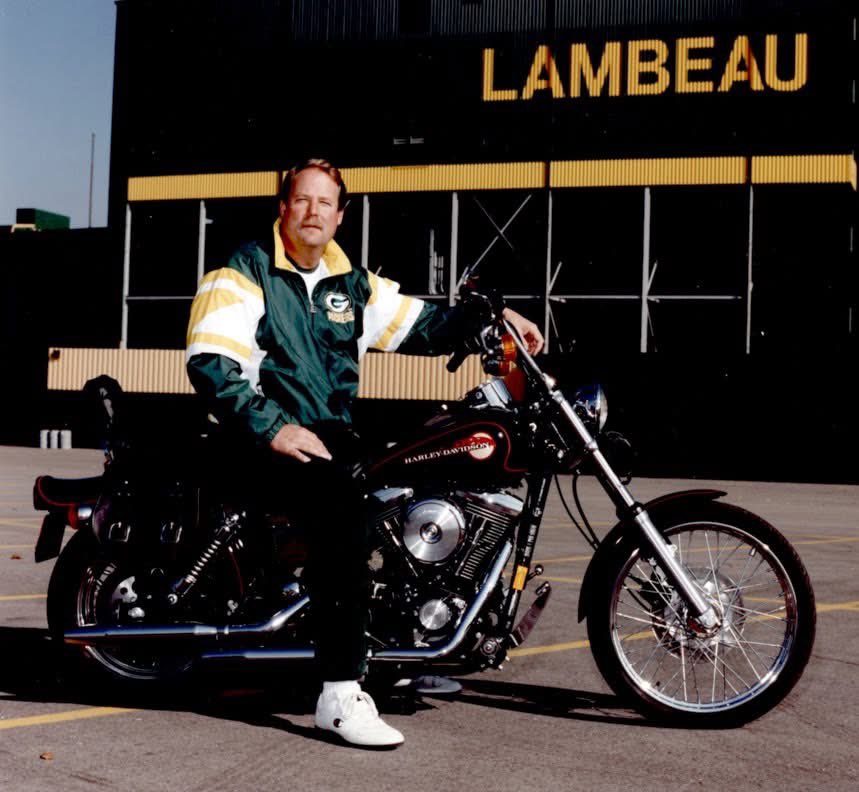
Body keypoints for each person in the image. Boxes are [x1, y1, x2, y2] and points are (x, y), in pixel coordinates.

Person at [186, 159, 543, 748]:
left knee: (401, 492)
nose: (313, 213)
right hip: (259, 435)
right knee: (343, 515)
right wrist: (273, 427)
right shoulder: (243, 271)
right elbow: (213, 363)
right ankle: (338, 692)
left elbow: (422, 324)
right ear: (284, 206)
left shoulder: (346, 281)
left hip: (328, 430)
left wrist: (494, 320)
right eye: (303, 200)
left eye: (325, 204)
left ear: (340, 214)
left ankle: (396, 650)